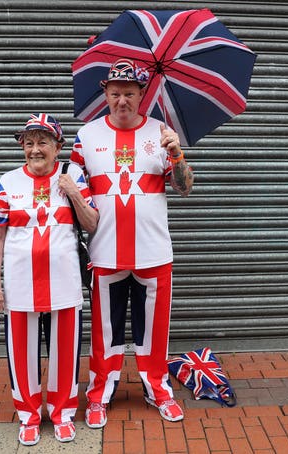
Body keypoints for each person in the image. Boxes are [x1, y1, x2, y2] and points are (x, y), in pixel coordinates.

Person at [70, 58, 194, 428]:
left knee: (154, 330)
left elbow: (184, 188)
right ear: (105, 94)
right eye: (115, 93)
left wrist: (177, 154)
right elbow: (77, 193)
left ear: (142, 94)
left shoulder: (163, 132)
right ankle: (99, 395)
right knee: (105, 332)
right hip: (105, 251)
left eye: (129, 93)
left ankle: (158, 389)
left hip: (154, 252)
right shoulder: (86, 136)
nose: (122, 100)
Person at [0, 114, 98, 446]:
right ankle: (29, 415)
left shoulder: (74, 175)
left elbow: (92, 223)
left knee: (66, 351)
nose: (36, 150)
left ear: (58, 147)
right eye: (29, 143)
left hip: (64, 284)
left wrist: (74, 194)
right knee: (21, 353)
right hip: (20, 286)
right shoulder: (8, 182)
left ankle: (63, 412)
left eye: (43, 142)